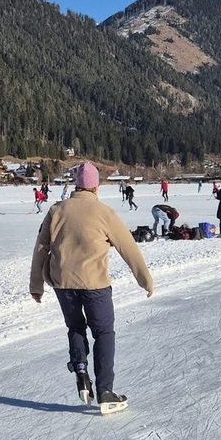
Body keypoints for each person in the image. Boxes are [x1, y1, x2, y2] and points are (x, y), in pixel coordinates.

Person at [29, 162, 153, 414]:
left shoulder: (56, 210)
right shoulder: (104, 212)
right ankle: (105, 390)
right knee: (104, 333)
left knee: (75, 327)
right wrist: (145, 280)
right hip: (95, 284)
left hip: (63, 283)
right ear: (96, 186)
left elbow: (40, 248)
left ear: (76, 185)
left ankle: (81, 369)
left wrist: (36, 285)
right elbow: (128, 247)